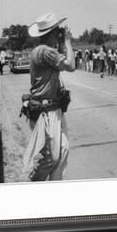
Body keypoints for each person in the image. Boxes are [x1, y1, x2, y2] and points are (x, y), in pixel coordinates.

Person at [22, 13, 75, 182]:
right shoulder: (44, 51)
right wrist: (67, 41)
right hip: (45, 113)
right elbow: (71, 65)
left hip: (53, 109)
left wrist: (60, 41)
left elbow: (60, 59)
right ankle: (35, 184)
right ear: (50, 34)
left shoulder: (45, 50)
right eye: (56, 31)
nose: (59, 33)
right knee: (51, 158)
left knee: (63, 151)